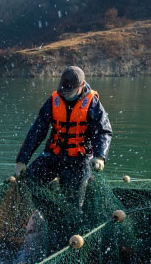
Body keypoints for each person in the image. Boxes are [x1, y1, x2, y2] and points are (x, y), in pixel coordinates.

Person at [14, 66, 112, 208]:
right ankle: (47, 212)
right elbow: (37, 131)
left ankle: (68, 220)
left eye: (70, 91)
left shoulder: (92, 103)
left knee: (72, 200)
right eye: (64, 90)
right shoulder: (53, 100)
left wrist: (100, 156)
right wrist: (22, 160)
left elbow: (103, 131)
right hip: (53, 155)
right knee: (29, 180)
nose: (65, 94)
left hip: (79, 159)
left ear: (82, 86)